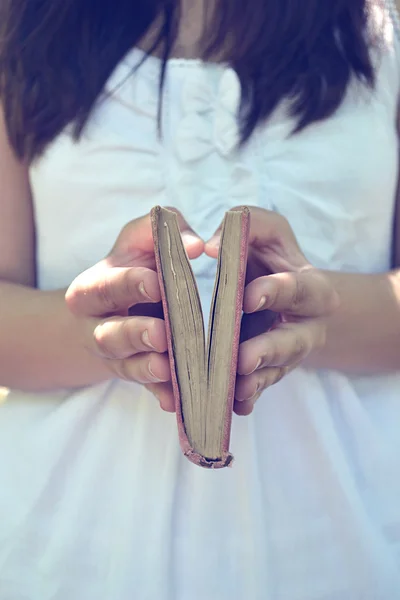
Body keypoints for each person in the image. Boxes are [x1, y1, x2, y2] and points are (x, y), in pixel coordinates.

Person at [0, 0, 399, 598]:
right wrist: (106, 327)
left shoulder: (383, 44)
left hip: (343, 541)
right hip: (69, 548)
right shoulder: (25, 31)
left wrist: (305, 310)